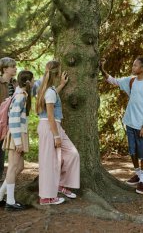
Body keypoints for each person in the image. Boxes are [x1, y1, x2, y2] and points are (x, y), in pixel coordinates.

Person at [100, 56, 143, 195]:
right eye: (133, 65)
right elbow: (113, 81)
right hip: (130, 123)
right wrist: (101, 69)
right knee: (132, 151)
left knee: (142, 153)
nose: (133, 67)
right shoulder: (130, 81)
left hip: (142, 125)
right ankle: (137, 174)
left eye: (136, 66)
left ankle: (142, 181)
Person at [36, 60, 80, 205]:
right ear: (56, 73)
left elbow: (52, 96)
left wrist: (62, 84)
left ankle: (61, 185)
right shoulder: (48, 92)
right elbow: (50, 116)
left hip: (55, 127)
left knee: (72, 154)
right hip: (50, 128)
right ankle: (46, 197)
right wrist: (56, 136)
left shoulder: (50, 90)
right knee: (49, 163)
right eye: (60, 70)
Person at [0, 70, 34, 210]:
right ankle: (10, 202)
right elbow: (13, 119)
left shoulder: (21, 93)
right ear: (28, 82)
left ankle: (1, 194)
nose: (34, 82)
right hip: (16, 135)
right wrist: (18, 142)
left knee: (19, 167)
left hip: (19, 134)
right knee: (13, 167)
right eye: (33, 80)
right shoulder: (20, 96)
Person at [0, 57, 17, 181]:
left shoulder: (16, 84)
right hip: (1, 123)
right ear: (5, 69)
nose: (15, 68)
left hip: (12, 123)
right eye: (13, 66)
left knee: (4, 154)